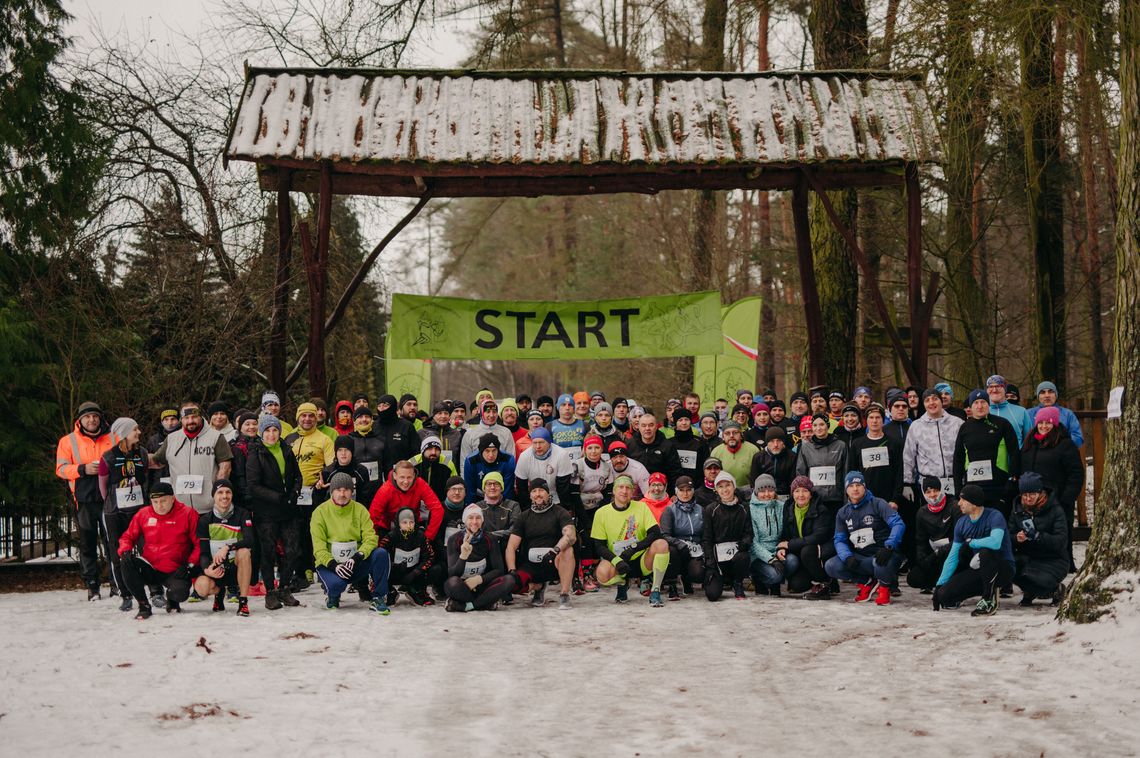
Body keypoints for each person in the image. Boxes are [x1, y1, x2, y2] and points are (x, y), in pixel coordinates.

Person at [116, 482, 199, 620]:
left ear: (172, 498)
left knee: (180, 593)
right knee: (126, 561)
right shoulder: (144, 514)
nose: (159, 506)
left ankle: (172, 601)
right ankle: (144, 605)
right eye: (155, 502)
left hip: (176, 569)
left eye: (163, 501)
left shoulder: (188, 513)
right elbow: (127, 537)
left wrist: (189, 565)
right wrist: (125, 550)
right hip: (151, 567)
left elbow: (199, 544)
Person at [56, 401, 114, 599]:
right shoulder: (68, 441)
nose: (92, 420)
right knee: (88, 543)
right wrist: (83, 469)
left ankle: (117, 582)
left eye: (95, 416)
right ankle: (92, 584)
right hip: (85, 500)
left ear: (100, 418)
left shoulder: (113, 437)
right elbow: (61, 469)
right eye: (87, 417)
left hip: (110, 499)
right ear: (80, 420)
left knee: (112, 542)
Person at [245, 415, 304, 609]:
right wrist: (277, 497)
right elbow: (253, 486)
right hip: (267, 511)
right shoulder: (256, 453)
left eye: (275, 430)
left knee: (293, 550)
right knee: (268, 552)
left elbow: (297, 475)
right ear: (262, 433)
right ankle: (270, 591)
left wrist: (295, 491)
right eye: (267, 431)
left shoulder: (286, 449)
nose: (271, 434)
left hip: (288, 508)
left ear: (279, 432)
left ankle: (285, 588)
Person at [312, 472, 392, 613]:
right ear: (332, 491)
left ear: (352, 492)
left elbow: (371, 538)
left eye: (346, 490)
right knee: (337, 585)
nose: (342, 494)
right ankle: (333, 595)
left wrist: (358, 556)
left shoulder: (360, 510)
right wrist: (333, 565)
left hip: (354, 562)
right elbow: (319, 548)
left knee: (380, 554)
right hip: (331, 564)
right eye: (338, 490)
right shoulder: (320, 512)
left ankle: (378, 597)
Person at [931, 484, 1016, 616]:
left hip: (1003, 568)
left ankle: (988, 599)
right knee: (944, 596)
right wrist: (939, 584)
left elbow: (995, 542)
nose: (959, 503)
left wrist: (972, 542)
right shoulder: (962, 523)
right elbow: (952, 557)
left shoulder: (995, 516)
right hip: (979, 569)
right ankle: (982, 590)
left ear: (974, 503)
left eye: (963, 500)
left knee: (986, 552)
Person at [825, 471, 905, 606]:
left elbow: (898, 524)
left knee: (880, 563)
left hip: (883, 554)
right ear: (846, 490)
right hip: (861, 556)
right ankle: (866, 582)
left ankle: (884, 588)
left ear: (864, 487)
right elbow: (839, 539)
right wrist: (847, 556)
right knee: (831, 565)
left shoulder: (878, 503)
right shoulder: (843, 512)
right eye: (851, 486)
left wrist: (889, 545)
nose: (855, 489)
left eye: (858, 485)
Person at [1020, 406, 1083, 572]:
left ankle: (1066, 566)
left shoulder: (1065, 444)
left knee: (1060, 535)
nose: (1043, 426)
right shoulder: (1030, 443)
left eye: (1048, 423)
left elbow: (1075, 474)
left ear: (1055, 424)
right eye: (1040, 422)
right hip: (1033, 500)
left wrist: (1066, 499)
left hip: (1058, 500)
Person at [590, 475, 671, 606]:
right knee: (601, 574)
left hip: (641, 559)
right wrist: (617, 561)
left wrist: (633, 548)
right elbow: (599, 546)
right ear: (614, 491)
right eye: (621, 487)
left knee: (662, 544)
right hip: (618, 561)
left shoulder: (641, 507)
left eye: (628, 488)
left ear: (633, 492)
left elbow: (655, 533)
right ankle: (622, 583)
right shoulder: (601, 512)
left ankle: (655, 590)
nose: (624, 491)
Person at [99, 417, 152, 610]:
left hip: (139, 511)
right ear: (123, 434)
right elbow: (103, 486)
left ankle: (155, 591)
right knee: (118, 552)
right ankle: (126, 594)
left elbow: (144, 478)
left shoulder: (142, 453)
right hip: (115, 512)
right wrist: (113, 502)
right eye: (134, 430)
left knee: (148, 548)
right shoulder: (108, 457)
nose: (139, 432)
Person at [504, 479, 577, 610]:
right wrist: (512, 570)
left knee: (568, 550)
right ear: (530, 495)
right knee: (511, 584)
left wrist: (555, 550)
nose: (538, 494)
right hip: (531, 565)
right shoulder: (523, 516)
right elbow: (511, 546)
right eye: (534, 491)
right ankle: (538, 587)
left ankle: (564, 594)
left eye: (541, 490)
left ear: (548, 494)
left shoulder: (560, 512)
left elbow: (571, 536)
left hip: (553, 561)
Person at [151, 402, 234, 515]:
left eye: (194, 417)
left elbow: (225, 468)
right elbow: (156, 461)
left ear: (200, 416)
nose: (190, 421)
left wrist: (219, 496)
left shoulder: (216, 437)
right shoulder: (171, 439)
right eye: (186, 418)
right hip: (179, 510)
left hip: (208, 509)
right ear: (181, 419)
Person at [848, 403, 907, 560]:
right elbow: (852, 473)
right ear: (866, 420)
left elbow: (899, 473)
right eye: (871, 418)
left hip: (888, 498)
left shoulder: (894, 443)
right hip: (864, 498)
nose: (874, 421)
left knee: (888, 531)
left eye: (878, 418)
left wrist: (895, 498)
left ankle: (892, 560)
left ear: (883, 420)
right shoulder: (857, 445)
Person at [953, 389, 1021, 518]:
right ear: (971, 407)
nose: (980, 406)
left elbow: (1014, 452)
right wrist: (958, 488)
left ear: (988, 404)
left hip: (998, 487)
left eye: (983, 402)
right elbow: (958, 458)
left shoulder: (1002, 424)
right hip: (973, 487)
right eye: (976, 403)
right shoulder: (965, 428)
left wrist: (1012, 479)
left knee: (998, 524)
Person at [192, 479, 255, 617]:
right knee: (201, 587)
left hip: (237, 567)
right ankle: (219, 594)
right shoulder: (205, 520)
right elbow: (203, 552)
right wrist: (207, 569)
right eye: (220, 492)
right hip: (218, 569)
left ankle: (243, 602)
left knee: (244, 552)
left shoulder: (242, 514)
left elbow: (250, 540)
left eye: (228, 492)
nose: (224, 496)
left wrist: (228, 547)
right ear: (214, 495)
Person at [1009, 473, 1070, 606]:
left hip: (1053, 559)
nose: (1028, 498)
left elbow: (1061, 541)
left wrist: (1038, 536)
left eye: (1032, 494)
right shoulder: (1017, 510)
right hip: (1029, 557)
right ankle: (1029, 590)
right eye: (1025, 495)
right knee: (1009, 566)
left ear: (1040, 492)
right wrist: (1016, 538)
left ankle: (1055, 590)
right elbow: (1008, 535)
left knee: (1042, 581)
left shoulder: (1055, 510)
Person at [444, 505, 517, 612]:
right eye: (470, 518)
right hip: (462, 586)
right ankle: (484, 603)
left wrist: (478, 579)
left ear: (482, 521)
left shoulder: (489, 538)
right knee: (453, 583)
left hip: (482, 585)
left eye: (478, 518)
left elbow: (499, 570)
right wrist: (463, 556)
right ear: (465, 520)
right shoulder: (454, 539)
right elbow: (452, 574)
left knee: (509, 580)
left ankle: (468, 606)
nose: (474, 522)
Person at [777, 476, 837, 598]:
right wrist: (782, 548)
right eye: (797, 491)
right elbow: (785, 533)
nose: (801, 495)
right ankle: (813, 579)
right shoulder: (788, 508)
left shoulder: (821, 509)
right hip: (801, 552)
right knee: (797, 585)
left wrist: (790, 545)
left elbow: (818, 537)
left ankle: (826, 582)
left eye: (805, 491)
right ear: (792, 494)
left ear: (810, 493)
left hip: (821, 549)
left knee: (807, 551)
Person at [701, 471, 754, 601]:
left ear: (734, 486)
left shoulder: (744, 508)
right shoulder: (710, 509)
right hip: (718, 558)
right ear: (716, 490)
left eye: (727, 485)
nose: (725, 490)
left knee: (744, 557)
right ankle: (721, 579)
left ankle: (738, 582)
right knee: (712, 595)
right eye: (720, 486)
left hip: (737, 556)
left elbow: (749, 532)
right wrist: (711, 562)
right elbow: (706, 538)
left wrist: (744, 543)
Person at [902, 388, 964, 497]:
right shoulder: (916, 426)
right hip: (929, 486)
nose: (931, 403)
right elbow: (908, 456)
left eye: (935, 399)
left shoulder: (958, 423)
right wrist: (907, 483)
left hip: (956, 482)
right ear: (923, 404)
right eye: (927, 400)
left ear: (941, 401)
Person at [906, 476, 960, 592]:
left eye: (935, 490)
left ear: (941, 490)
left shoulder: (954, 507)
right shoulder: (922, 512)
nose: (932, 495)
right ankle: (936, 582)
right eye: (928, 492)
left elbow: (959, 538)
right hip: (935, 556)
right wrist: (923, 561)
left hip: (953, 554)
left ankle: (951, 584)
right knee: (914, 577)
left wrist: (939, 552)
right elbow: (921, 540)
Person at [369, 460, 444, 541]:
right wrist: (374, 540)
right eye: (402, 477)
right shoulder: (385, 490)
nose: (406, 482)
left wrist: (428, 537)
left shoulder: (420, 484)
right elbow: (372, 517)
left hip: (412, 525)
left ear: (414, 475)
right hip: (389, 528)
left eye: (409, 477)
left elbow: (438, 509)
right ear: (395, 476)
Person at [378, 507, 436, 606]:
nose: (408, 525)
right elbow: (379, 557)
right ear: (399, 523)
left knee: (435, 569)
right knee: (377, 566)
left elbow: (430, 557)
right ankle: (389, 591)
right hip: (395, 572)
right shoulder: (391, 537)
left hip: (413, 573)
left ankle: (416, 590)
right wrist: (394, 566)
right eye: (404, 522)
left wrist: (415, 572)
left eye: (411, 522)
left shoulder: (421, 536)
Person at [659, 476, 704, 599]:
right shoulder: (669, 510)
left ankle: (687, 577)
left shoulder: (700, 510)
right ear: (676, 491)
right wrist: (679, 544)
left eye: (688, 490)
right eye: (681, 490)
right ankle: (672, 584)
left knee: (698, 574)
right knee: (672, 551)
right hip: (678, 548)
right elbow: (664, 535)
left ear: (693, 491)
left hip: (695, 547)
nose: (685, 493)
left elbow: (705, 532)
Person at [795, 413, 848, 517]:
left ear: (827, 426)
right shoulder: (806, 448)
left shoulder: (841, 445)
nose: (818, 428)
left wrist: (846, 499)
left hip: (836, 499)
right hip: (814, 500)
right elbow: (801, 474)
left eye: (821, 424)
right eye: (815, 425)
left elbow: (845, 472)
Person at [513, 427, 573, 509]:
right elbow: (521, 487)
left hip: (555, 497)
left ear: (549, 442)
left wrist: (565, 508)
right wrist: (526, 509)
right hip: (534, 498)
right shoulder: (524, 456)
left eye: (541, 442)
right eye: (535, 443)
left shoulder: (561, 454)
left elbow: (563, 487)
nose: (538, 446)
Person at [748, 474, 785, 596]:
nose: (767, 494)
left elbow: (785, 532)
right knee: (775, 575)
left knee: (792, 563)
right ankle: (758, 579)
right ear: (756, 492)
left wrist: (781, 549)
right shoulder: (751, 509)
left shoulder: (781, 506)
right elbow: (753, 543)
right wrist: (771, 559)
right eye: (762, 491)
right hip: (758, 555)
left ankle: (776, 584)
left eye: (770, 490)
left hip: (777, 550)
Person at [626, 412, 683, 488]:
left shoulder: (667, 446)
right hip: (635, 490)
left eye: (651, 425)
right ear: (638, 427)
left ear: (656, 427)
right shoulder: (630, 444)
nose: (647, 428)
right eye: (643, 425)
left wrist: (673, 493)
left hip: (660, 489)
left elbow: (675, 472)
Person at [458, 399, 516, 473]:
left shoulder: (506, 433)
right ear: (482, 413)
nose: (491, 415)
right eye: (488, 412)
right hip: (477, 478)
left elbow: (511, 461)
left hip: (500, 479)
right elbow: (464, 463)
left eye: (494, 412)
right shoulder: (470, 433)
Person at [314, 435, 371, 507]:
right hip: (333, 514)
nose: (343, 453)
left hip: (354, 513)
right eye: (340, 450)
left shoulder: (361, 471)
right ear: (336, 453)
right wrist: (318, 490)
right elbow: (318, 504)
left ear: (352, 452)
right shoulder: (327, 472)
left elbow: (366, 499)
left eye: (347, 450)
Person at [374, 394, 421, 473]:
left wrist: (409, 469)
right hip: (378, 476)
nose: (382, 409)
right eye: (379, 406)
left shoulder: (406, 426)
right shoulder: (373, 427)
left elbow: (417, 453)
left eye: (385, 405)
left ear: (393, 407)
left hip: (402, 476)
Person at [462, 434, 516, 504]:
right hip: (479, 496)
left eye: (494, 450)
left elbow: (508, 490)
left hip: (500, 495)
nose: (491, 455)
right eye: (487, 451)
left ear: (498, 450)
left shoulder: (508, 460)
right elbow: (470, 490)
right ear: (481, 451)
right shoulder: (471, 461)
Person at [1028, 381, 1084, 446]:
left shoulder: (1067, 414)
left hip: (1062, 453)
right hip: (1036, 453)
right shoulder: (1028, 414)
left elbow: (1078, 438)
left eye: (1050, 391)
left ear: (1056, 395)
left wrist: (1059, 443)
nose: (1047, 395)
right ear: (1038, 396)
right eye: (1042, 392)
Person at [985, 375, 1034, 447]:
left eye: (998, 386)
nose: (994, 390)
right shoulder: (981, 413)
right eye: (991, 387)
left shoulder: (1021, 411)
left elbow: (1030, 441)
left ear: (1005, 389)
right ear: (987, 390)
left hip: (1016, 457)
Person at [477, 471, 520, 548]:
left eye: (496, 484)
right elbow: (475, 532)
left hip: (507, 549)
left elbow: (515, 530)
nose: (492, 487)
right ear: (484, 488)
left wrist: (489, 535)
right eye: (489, 484)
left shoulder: (513, 505)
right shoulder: (477, 507)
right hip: (484, 549)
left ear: (501, 488)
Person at [750, 427, 796, 497]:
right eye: (772, 441)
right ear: (767, 442)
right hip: (764, 495)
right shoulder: (758, 457)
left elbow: (793, 481)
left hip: (785, 495)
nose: (775, 444)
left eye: (779, 440)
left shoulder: (792, 456)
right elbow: (754, 482)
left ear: (783, 442)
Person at [412, 435, 457, 503]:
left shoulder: (448, 463)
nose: (433, 452)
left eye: (437, 449)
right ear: (423, 450)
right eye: (430, 449)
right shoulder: (413, 463)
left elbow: (455, 484)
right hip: (416, 503)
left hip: (440, 502)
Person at [715, 421, 760, 488]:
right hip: (725, 492)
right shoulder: (716, 452)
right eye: (727, 433)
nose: (731, 436)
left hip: (749, 491)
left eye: (735, 432)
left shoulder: (753, 450)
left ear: (741, 435)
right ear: (723, 437)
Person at [146, 408, 180, 490]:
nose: (170, 423)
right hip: (160, 481)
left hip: (181, 480)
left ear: (179, 420)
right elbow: (149, 466)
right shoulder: (153, 440)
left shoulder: (184, 437)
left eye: (173, 419)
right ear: (161, 422)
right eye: (166, 419)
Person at [670, 409, 708, 478]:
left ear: (690, 421)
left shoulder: (701, 443)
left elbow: (705, 467)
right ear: (675, 422)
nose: (684, 423)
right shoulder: (669, 443)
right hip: (675, 484)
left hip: (696, 485)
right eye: (680, 420)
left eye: (686, 419)